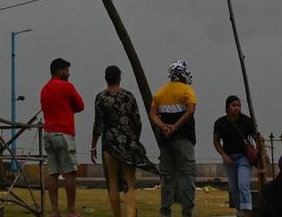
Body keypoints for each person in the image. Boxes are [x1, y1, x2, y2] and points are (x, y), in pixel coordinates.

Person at [91, 65, 155, 217]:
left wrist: (93, 145)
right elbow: (137, 122)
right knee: (129, 184)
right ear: (119, 78)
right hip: (127, 144)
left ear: (106, 79)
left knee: (112, 183)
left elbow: (98, 124)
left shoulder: (101, 98)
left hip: (109, 145)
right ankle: (131, 214)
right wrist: (133, 140)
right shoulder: (129, 96)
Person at [149, 60, 197, 217]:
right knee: (187, 175)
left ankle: (165, 211)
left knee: (167, 177)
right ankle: (187, 211)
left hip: (165, 141)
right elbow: (190, 111)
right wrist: (175, 126)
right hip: (184, 139)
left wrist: (163, 126)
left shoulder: (160, 92)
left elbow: (153, 114)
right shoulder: (187, 90)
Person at [39, 57, 84, 217]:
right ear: (59, 71)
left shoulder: (44, 89)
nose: (68, 73)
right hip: (64, 132)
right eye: (66, 70)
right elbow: (80, 105)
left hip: (48, 132)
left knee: (53, 172)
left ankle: (55, 210)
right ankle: (71, 210)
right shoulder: (67, 86)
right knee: (69, 172)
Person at [213, 95, 256, 217]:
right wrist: (223, 155)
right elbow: (216, 141)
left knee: (243, 185)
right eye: (233, 105)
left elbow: (256, 137)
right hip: (229, 158)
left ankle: (247, 211)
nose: (236, 108)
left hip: (243, 158)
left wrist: (257, 150)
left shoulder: (246, 121)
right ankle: (240, 211)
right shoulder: (220, 123)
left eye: (238, 106)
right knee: (234, 187)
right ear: (227, 107)